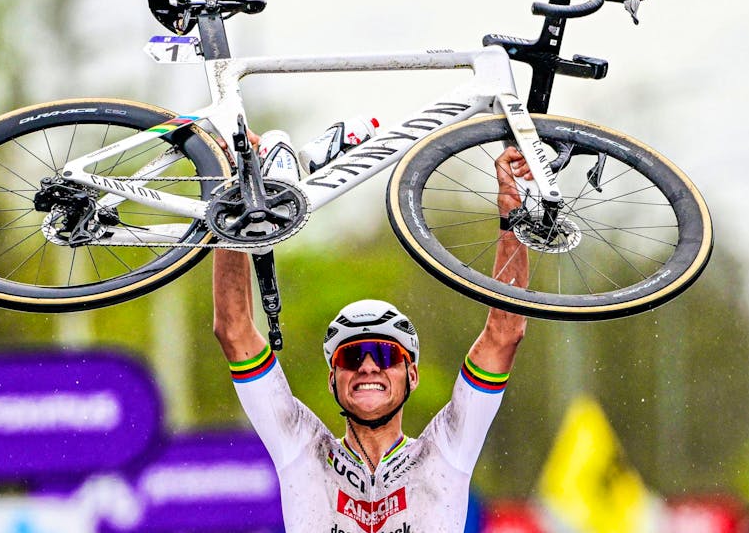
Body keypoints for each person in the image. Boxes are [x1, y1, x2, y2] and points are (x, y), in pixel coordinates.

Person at [212, 146, 531, 533]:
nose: (367, 366)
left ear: (411, 375)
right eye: (351, 357)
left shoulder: (444, 451)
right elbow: (234, 330)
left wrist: (513, 208)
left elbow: (505, 333)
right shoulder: (303, 448)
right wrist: (234, 192)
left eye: (384, 354)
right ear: (333, 379)